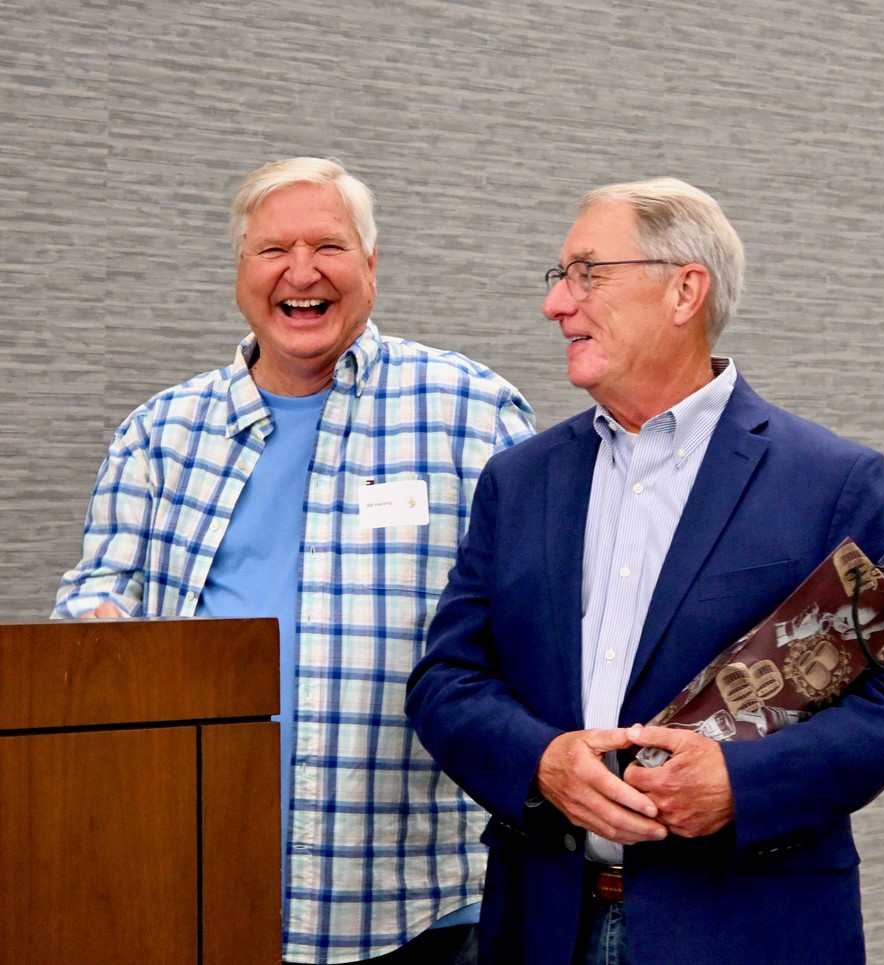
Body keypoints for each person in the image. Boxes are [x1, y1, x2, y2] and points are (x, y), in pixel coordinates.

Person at [405, 177, 884, 965]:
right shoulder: (518, 481)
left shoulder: (831, 481)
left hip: (745, 929)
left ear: (684, 290)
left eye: (587, 273)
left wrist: (740, 782)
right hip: (542, 926)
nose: (555, 304)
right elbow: (446, 680)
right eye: (558, 276)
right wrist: (540, 763)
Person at [53, 156, 535, 964]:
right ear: (241, 270)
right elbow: (95, 591)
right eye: (274, 249)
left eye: (329, 247)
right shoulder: (160, 434)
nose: (301, 272)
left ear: (371, 264)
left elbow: (538, 617)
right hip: (202, 877)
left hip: (417, 901)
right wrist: (101, 630)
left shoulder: (470, 411)